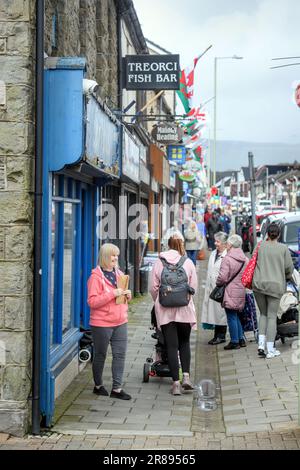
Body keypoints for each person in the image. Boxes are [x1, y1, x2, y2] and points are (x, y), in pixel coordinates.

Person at [150, 233, 197, 396]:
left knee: (171, 346)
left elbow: (153, 288)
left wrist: (161, 301)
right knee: (184, 343)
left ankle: (175, 384)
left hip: (165, 312)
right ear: (181, 246)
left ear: (167, 245)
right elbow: (194, 287)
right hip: (185, 310)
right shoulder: (188, 262)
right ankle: (186, 378)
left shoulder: (159, 263)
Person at [87, 243, 132, 400]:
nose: (115, 258)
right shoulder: (95, 277)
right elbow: (92, 302)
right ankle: (98, 385)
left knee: (120, 355)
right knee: (100, 355)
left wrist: (127, 295)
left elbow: (122, 299)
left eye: (117, 255)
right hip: (101, 323)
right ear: (105, 256)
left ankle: (117, 389)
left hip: (121, 321)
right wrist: (112, 294)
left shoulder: (119, 274)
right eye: (113, 255)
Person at [252, 223, 294, 358]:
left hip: (258, 285)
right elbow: (289, 269)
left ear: (267, 234)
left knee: (263, 314)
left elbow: (252, 261)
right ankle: (270, 349)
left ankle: (260, 344)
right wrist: (286, 276)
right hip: (275, 286)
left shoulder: (260, 246)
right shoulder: (283, 248)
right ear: (279, 234)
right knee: (271, 316)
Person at [216, 234, 248, 350]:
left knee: (231, 316)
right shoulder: (245, 259)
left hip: (230, 290)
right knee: (236, 315)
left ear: (230, 245)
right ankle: (241, 339)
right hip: (240, 290)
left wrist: (218, 283)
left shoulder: (227, 259)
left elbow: (222, 278)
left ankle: (234, 341)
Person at [201, 232, 228, 344]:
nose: (215, 243)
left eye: (218, 241)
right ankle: (217, 334)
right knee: (214, 313)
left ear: (224, 243)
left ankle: (221, 336)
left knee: (220, 313)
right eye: (215, 241)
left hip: (221, 288)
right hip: (211, 287)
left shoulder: (227, 255)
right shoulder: (213, 254)